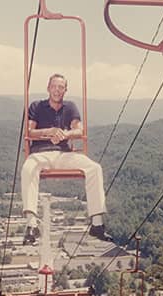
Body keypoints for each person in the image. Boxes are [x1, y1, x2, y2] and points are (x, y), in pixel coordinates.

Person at [21, 73, 113, 245]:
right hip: (40, 154)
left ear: (65, 90)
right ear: (48, 88)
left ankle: (97, 224)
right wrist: (49, 131)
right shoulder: (37, 106)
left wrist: (65, 134)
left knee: (94, 168)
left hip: (64, 154)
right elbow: (29, 132)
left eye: (61, 87)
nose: (57, 90)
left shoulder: (70, 107)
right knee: (28, 168)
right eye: (54, 87)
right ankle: (31, 224)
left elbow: (79, 130)